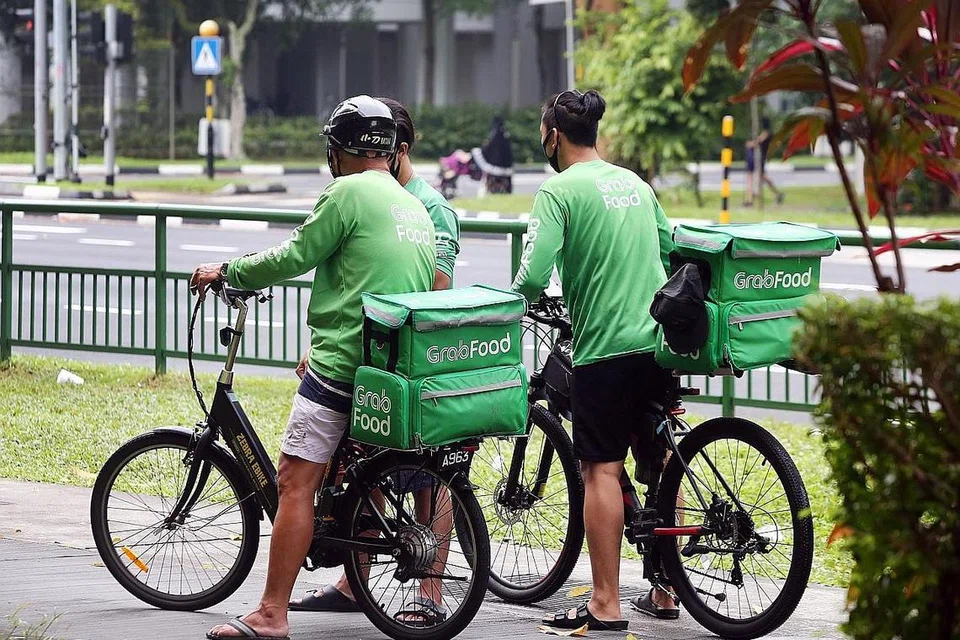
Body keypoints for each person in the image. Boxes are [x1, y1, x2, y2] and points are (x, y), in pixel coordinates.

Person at [193, 95, 436, 640]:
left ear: (339, 150)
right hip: (392, 368)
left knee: (294, 481)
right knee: (345, 476)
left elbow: (295, 255)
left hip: (343, 362)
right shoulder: (411, 205)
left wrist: (229, 271)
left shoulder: (347, 193)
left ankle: (271, 614)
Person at [288, 96, 461, 622]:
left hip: (412, 356)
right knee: (368, 472)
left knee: (427, 479)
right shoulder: (382, 197)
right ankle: (355, 582)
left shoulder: (427, 207)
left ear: (396, 150)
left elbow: (436, 284)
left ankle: (429, 593)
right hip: (371, 355)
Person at [512, 89, 678, 632]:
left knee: (601, 468)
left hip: (604, 347)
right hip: (656, 342)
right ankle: (667, 590)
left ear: (553, 136)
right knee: (660, 460)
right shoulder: (635, 184)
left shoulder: (557, 191)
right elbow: (669, 250)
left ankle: (605, 603)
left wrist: (511, 302)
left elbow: (535, 274)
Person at [744, 117, 785, 206]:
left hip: (758, 157)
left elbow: (758, 142)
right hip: (755, 156)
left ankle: (751, 199)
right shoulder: (765, 133)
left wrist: (750, 144)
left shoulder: (766, 133)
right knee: (754, 177)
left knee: (758, 177)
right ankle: (750, 198)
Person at [471, 115, 514, 194]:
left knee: (475, 151)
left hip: (494, 168)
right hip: (508, 169)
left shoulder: (494, 135)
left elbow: (487, 150)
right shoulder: (506, 135)